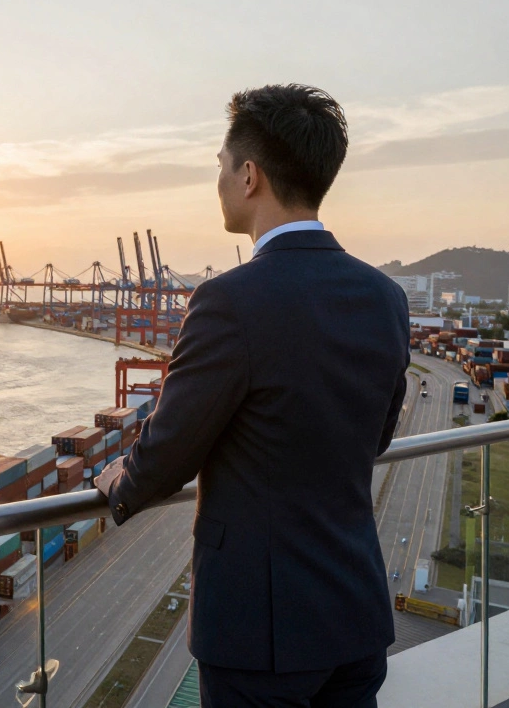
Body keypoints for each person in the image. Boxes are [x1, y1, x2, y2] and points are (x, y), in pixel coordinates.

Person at [95, 84, 409, 707]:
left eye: (220, 164)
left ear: (248, 176)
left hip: (259, 634)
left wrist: (118, 482)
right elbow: (374, 438)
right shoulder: (386, 297)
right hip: (354, 614)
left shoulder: (228, 302)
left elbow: (168, 451)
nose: (216, 180)